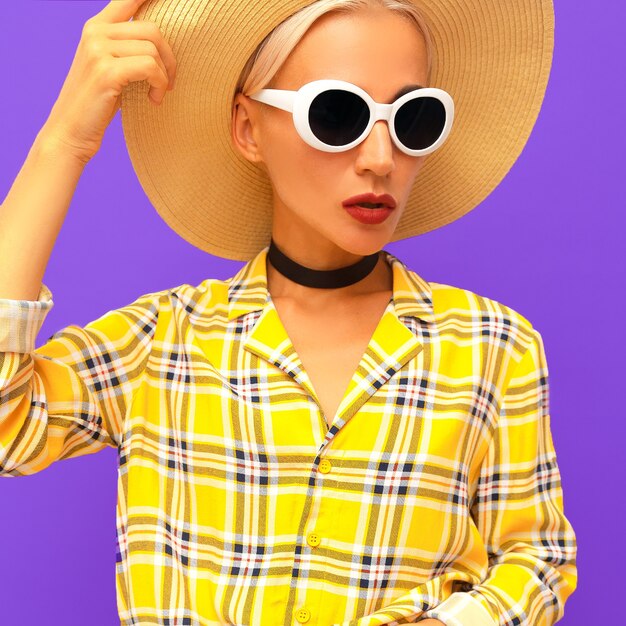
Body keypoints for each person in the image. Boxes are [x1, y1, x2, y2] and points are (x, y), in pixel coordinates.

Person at [0, 0, 577, 624]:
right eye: (338, 113)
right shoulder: (163, 340)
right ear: (249, 128)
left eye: (412, 119)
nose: (381, 159)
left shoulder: (492, 345)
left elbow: (536, 558)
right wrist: (64, 142)